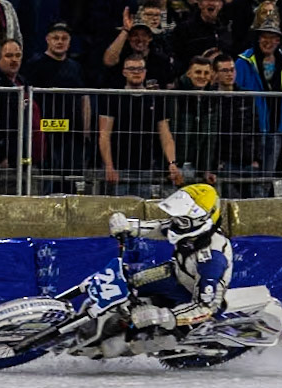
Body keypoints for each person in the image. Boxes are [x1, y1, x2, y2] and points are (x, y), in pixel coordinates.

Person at [107, 183, 232, 343]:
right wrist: (127, 225)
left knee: (154, 329)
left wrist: (163, 316)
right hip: (175, 274)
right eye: (176, 218)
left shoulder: (211, 259)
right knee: (128, 284)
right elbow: (160, 228)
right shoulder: (189, 228)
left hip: (195, 298)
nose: (176, 222)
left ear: (203, 219)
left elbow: (206, 307)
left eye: (182, 220)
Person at [97, 53, 184, 197]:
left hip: (145, 166)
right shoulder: (113, 97)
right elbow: (104, 135)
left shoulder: (155, 99)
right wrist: (109, 165)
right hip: (118, 166)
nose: (136, 72)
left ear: (145, 72)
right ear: (124, 72)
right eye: (132, 69)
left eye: (140, 69)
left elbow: (165, 135)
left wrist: (172, 163)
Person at [22, 22, 91, 194]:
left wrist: (86, 129)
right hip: (47, 133)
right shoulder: (35, 65)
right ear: (47, 40)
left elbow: (85, 97)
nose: (60, 42)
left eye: (64, 38)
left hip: (73, 134)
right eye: (56, 38)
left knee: (72, 182)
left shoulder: (76, 67)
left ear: (69, 41)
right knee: (49, 181)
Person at [234, 17, 282, 190]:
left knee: (266, 178)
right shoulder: (243, 62)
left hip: (276, 130)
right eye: (265, 37)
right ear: (258, 38)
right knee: (246, 177)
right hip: (248, 131)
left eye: (273, 38)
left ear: (278, 41)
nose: (268, 42)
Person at [211, 53, 261, 198]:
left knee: (251, 207)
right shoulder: (211, 98)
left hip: (248, 160)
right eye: (225, 71)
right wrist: (215, 162)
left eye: (232, 70)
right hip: (224, 162)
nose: (229, 74)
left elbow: (255, 128)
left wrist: (256, 158)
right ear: (215, 73)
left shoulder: (246, 96)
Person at [0, 38, 41, 195]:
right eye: (9, 55)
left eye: (17, 55)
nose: (14, 60)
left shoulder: (23, 81)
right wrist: (2, 155)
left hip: (22, 155)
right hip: (3, 158)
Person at [171, 56, 218, 186]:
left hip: (197, 167)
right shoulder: (175, 95)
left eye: (206, 73)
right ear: (189, 73)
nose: (202, 76)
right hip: (175, 166)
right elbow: (170, 132)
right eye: (198, 72)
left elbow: (211, 136)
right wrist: (171, 165)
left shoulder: (212, 97)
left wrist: (206, 169)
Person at [103, 8, 176, 89]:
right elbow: (108, 61)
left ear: (150, 38)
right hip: (122, 100)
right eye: (135, 35)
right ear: (128, 38)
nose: (140, 39)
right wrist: (125, 31)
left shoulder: (161, 60)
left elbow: (168, 86)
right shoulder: (121, 56)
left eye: (144, 35)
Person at [171, 0, 235, 69]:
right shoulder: (183, 29)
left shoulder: (225, 30)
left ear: (221, 5)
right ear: (200, 4)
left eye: (216, 0)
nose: (211, 3)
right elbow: (178, 61)